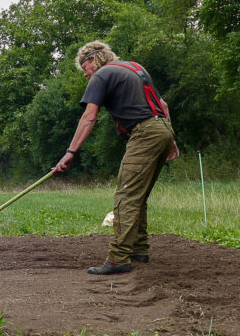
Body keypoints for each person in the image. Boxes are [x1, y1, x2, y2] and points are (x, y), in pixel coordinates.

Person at [53, 41, 179, 275]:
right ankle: (139, 250)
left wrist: (70, 153)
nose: (84, 74)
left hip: (144, 133)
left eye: (84, 67)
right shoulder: (134, 67)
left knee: (126, 195)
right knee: (138, 195)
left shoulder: (101, 75)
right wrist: (171, 139)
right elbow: (162, 105)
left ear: (93, 59)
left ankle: (119, 258)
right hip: (162, 129)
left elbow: (89, 117)